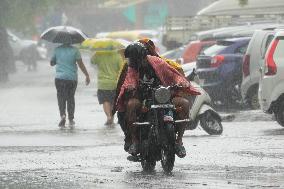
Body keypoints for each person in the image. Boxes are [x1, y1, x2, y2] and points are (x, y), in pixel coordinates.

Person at [113, 42, 200, 158]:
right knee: (131, 105)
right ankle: (135, 141)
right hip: (142, 99)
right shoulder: (132, 68)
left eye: (135, 59)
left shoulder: (158, 62)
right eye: (131, 60)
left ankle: (179, 142)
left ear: (143, 56)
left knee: (184, 104)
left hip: (164, 97)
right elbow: (130, 80)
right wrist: (131, 86)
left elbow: (174, 75)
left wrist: (181, 81)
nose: (133, 62)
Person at [50, 41, 90, 128]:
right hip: (72, 79)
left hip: (59, 78)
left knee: (61, 97)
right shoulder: (75, 50)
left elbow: (52, 63)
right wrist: (86, 75)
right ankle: (71, 119)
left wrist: (57, 60)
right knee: (70, 97)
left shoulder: (57, 50)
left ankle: (62, 115)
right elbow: (80, 64)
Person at [91, 49, 124, 125]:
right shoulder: (117, 56)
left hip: (103, 83)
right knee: (112, 102)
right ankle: (111, 119)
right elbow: (121, 69)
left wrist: (95, 53)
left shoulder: (99, 54)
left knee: (105, 101)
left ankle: (108, 117)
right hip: (114, 83)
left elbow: (92, 61)